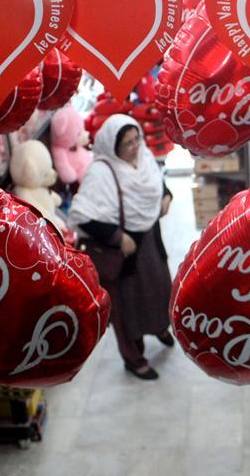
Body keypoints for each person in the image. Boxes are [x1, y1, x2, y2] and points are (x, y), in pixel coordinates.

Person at [70, 115, 174, 380]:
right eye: (127, 144)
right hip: (124, 255)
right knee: (129, 309)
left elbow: (156, 182)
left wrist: (166, 197)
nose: (135, 147)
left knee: (159, 290)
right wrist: (118, 237)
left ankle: (160, 327)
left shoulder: (143, 158)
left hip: (150, 243)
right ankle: (134, 358)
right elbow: (82, 215)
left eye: (136, 139)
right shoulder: (102, 172)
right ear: (112, 148)